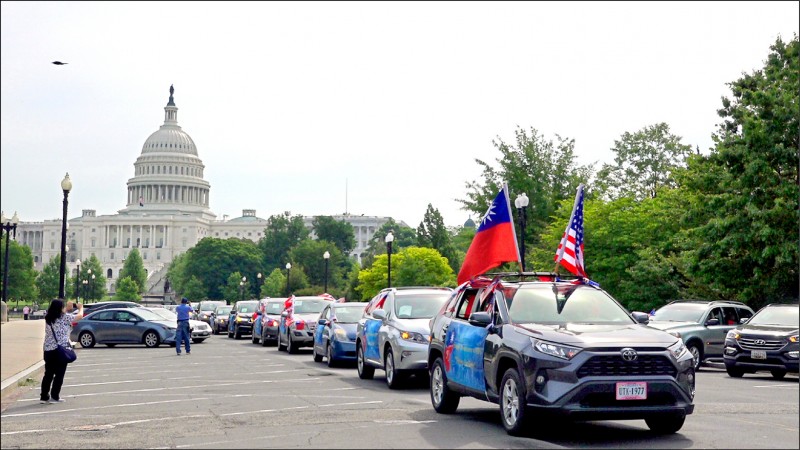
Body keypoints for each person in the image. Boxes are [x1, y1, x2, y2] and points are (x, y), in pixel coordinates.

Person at [41, 299, 83, 404]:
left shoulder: (48, 317)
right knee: (59, 374)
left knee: (48, 374)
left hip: (48, 349)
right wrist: (80, 308)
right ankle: (54, 396)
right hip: (60, 350)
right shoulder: (64, 317)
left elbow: (60, 313)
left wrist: (67, 308)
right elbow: (79, 316)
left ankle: (44, 396)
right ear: (60, 308)